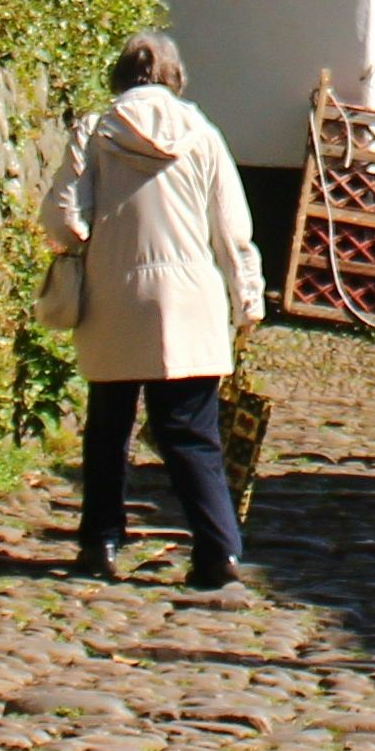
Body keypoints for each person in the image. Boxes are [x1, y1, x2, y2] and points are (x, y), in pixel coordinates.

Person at [41, 31, 265, 587]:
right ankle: (218, 553)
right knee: (191, 432)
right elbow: (232, 231)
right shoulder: (204, 135)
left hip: (116, 297)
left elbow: (64, 219)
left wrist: (90, 238)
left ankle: (100, 543)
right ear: (174, 77)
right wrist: (248, 301)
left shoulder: (94, 132)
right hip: (191, 301)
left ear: (119, 75)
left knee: (108, 429)